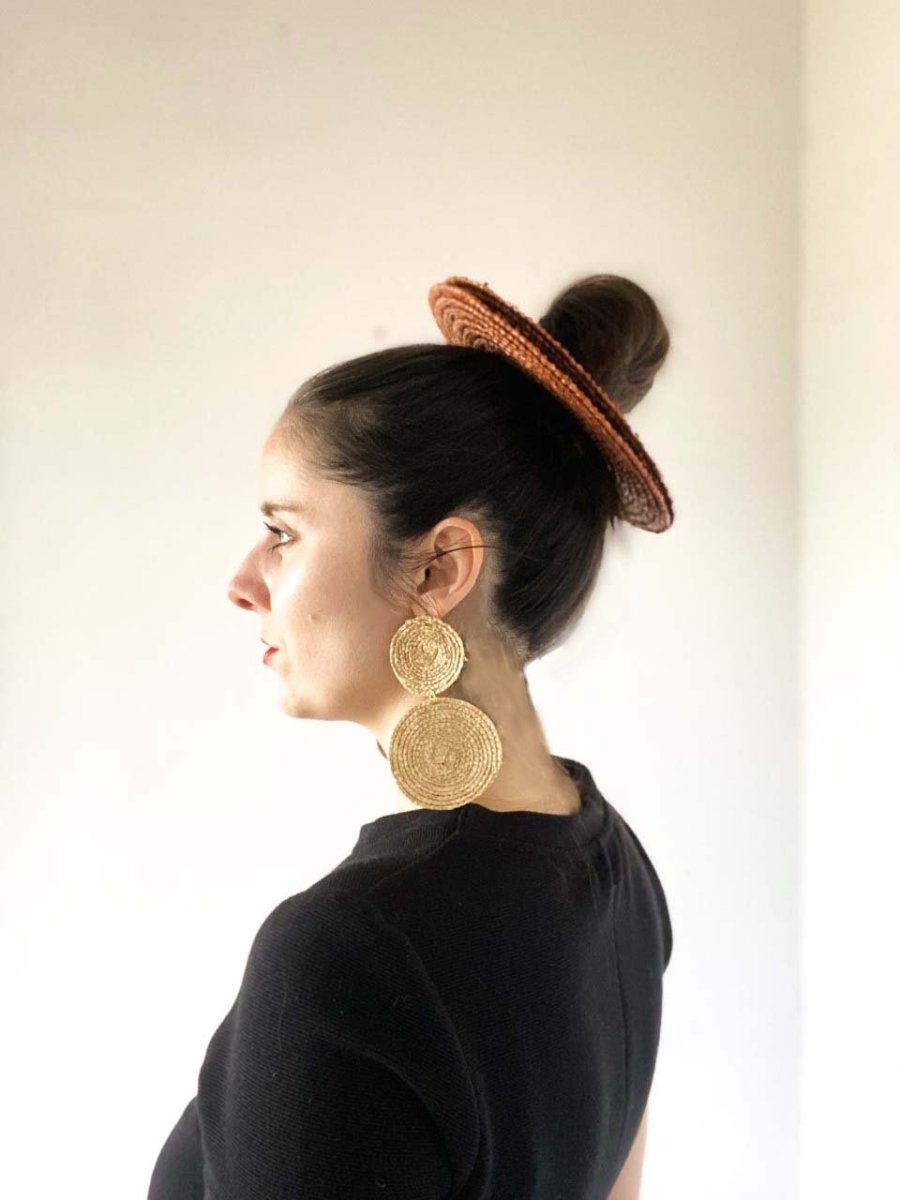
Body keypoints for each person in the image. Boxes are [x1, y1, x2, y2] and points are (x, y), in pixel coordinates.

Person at [147, 274, 675, 1199]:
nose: (242, 581)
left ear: (439, 569)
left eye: (282, 533)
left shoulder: (344, 954)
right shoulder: (618, 868)